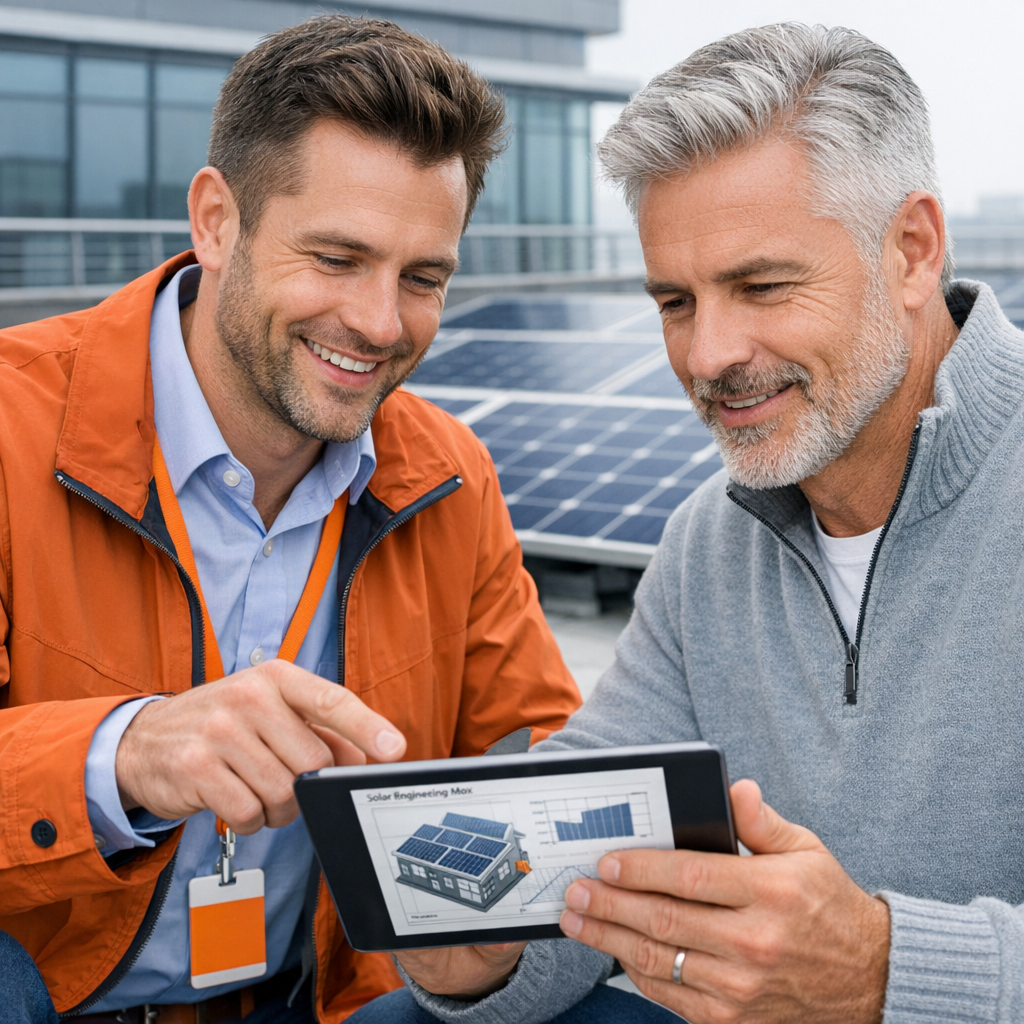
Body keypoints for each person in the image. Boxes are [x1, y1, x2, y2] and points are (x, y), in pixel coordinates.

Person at [363, 22, 1024, 1024]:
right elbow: (588, 886)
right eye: (674, 301)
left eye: (762, 286)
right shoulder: (707, 545)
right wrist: (481, 950)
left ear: (912, 250)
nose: (708, 354)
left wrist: (884, 971)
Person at [0, 15, 591, 1023]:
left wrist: (502, 933)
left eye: (422, 278)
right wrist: (128, 753)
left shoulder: (450, 474)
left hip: (326, 999)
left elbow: (533, 753)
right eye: (336, 257)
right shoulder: (13, 423)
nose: (377, 321)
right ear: (216, 220)